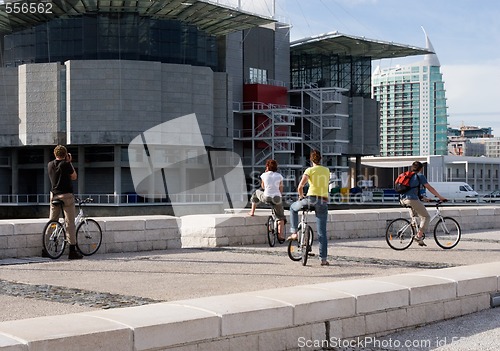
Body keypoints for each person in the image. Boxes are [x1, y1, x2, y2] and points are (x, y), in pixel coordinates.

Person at [287, 150, 330, 266]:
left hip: (310, 199)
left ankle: (294, 232)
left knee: (292, 208)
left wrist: (301, 197)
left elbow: (300, 187)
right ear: (320, 159)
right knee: (322, 233)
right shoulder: (326, 170)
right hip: (323, 201)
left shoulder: (309, 170)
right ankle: (323, 259)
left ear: (311, 160)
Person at [400, 161, 447, 247]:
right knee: (426, 217)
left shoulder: (408, 176)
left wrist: (424, 199)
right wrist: (440, 197)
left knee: (415, 218)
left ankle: (414, 235)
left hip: (403, 199)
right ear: (421, 168)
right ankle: (418, 236)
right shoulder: (420, 176)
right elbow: (430, 188)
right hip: (412, 200)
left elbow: (412, 190)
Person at [47, 145, 82, 260]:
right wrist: (69, 162)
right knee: (69, 222)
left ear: (54, 153)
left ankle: (46, 247)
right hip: (66, 196)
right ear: (66, 154)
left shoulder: (50, 164)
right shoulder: (66, 164)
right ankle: (72, 250)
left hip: (54, 196)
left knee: (52, 221)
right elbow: (74, 177)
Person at [248, 159, 285, 241]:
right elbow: (281, 188)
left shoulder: (264, 175)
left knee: (256, 193)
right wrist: (279, 197)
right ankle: (280, 235)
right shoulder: (279, 176)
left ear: (267, 167)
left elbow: (263, 187)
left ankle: (252, 212)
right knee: (281, 217)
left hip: (267, 197)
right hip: (277, 198)